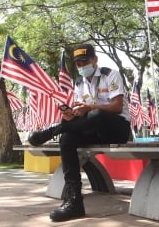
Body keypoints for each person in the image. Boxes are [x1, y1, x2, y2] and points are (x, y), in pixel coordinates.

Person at [27, 43, 131, 222]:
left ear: (94, 60)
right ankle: (74, 201)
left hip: (117, 128)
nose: (82, 66)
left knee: (98, 114)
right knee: (67, 139)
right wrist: (71, 115)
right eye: (78, 64)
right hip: (92, 128)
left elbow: (116, 106)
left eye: (85, 61)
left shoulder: (110, 75)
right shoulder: (79, 83)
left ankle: (54, 129)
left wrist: (89, 107)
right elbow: (80, 112)